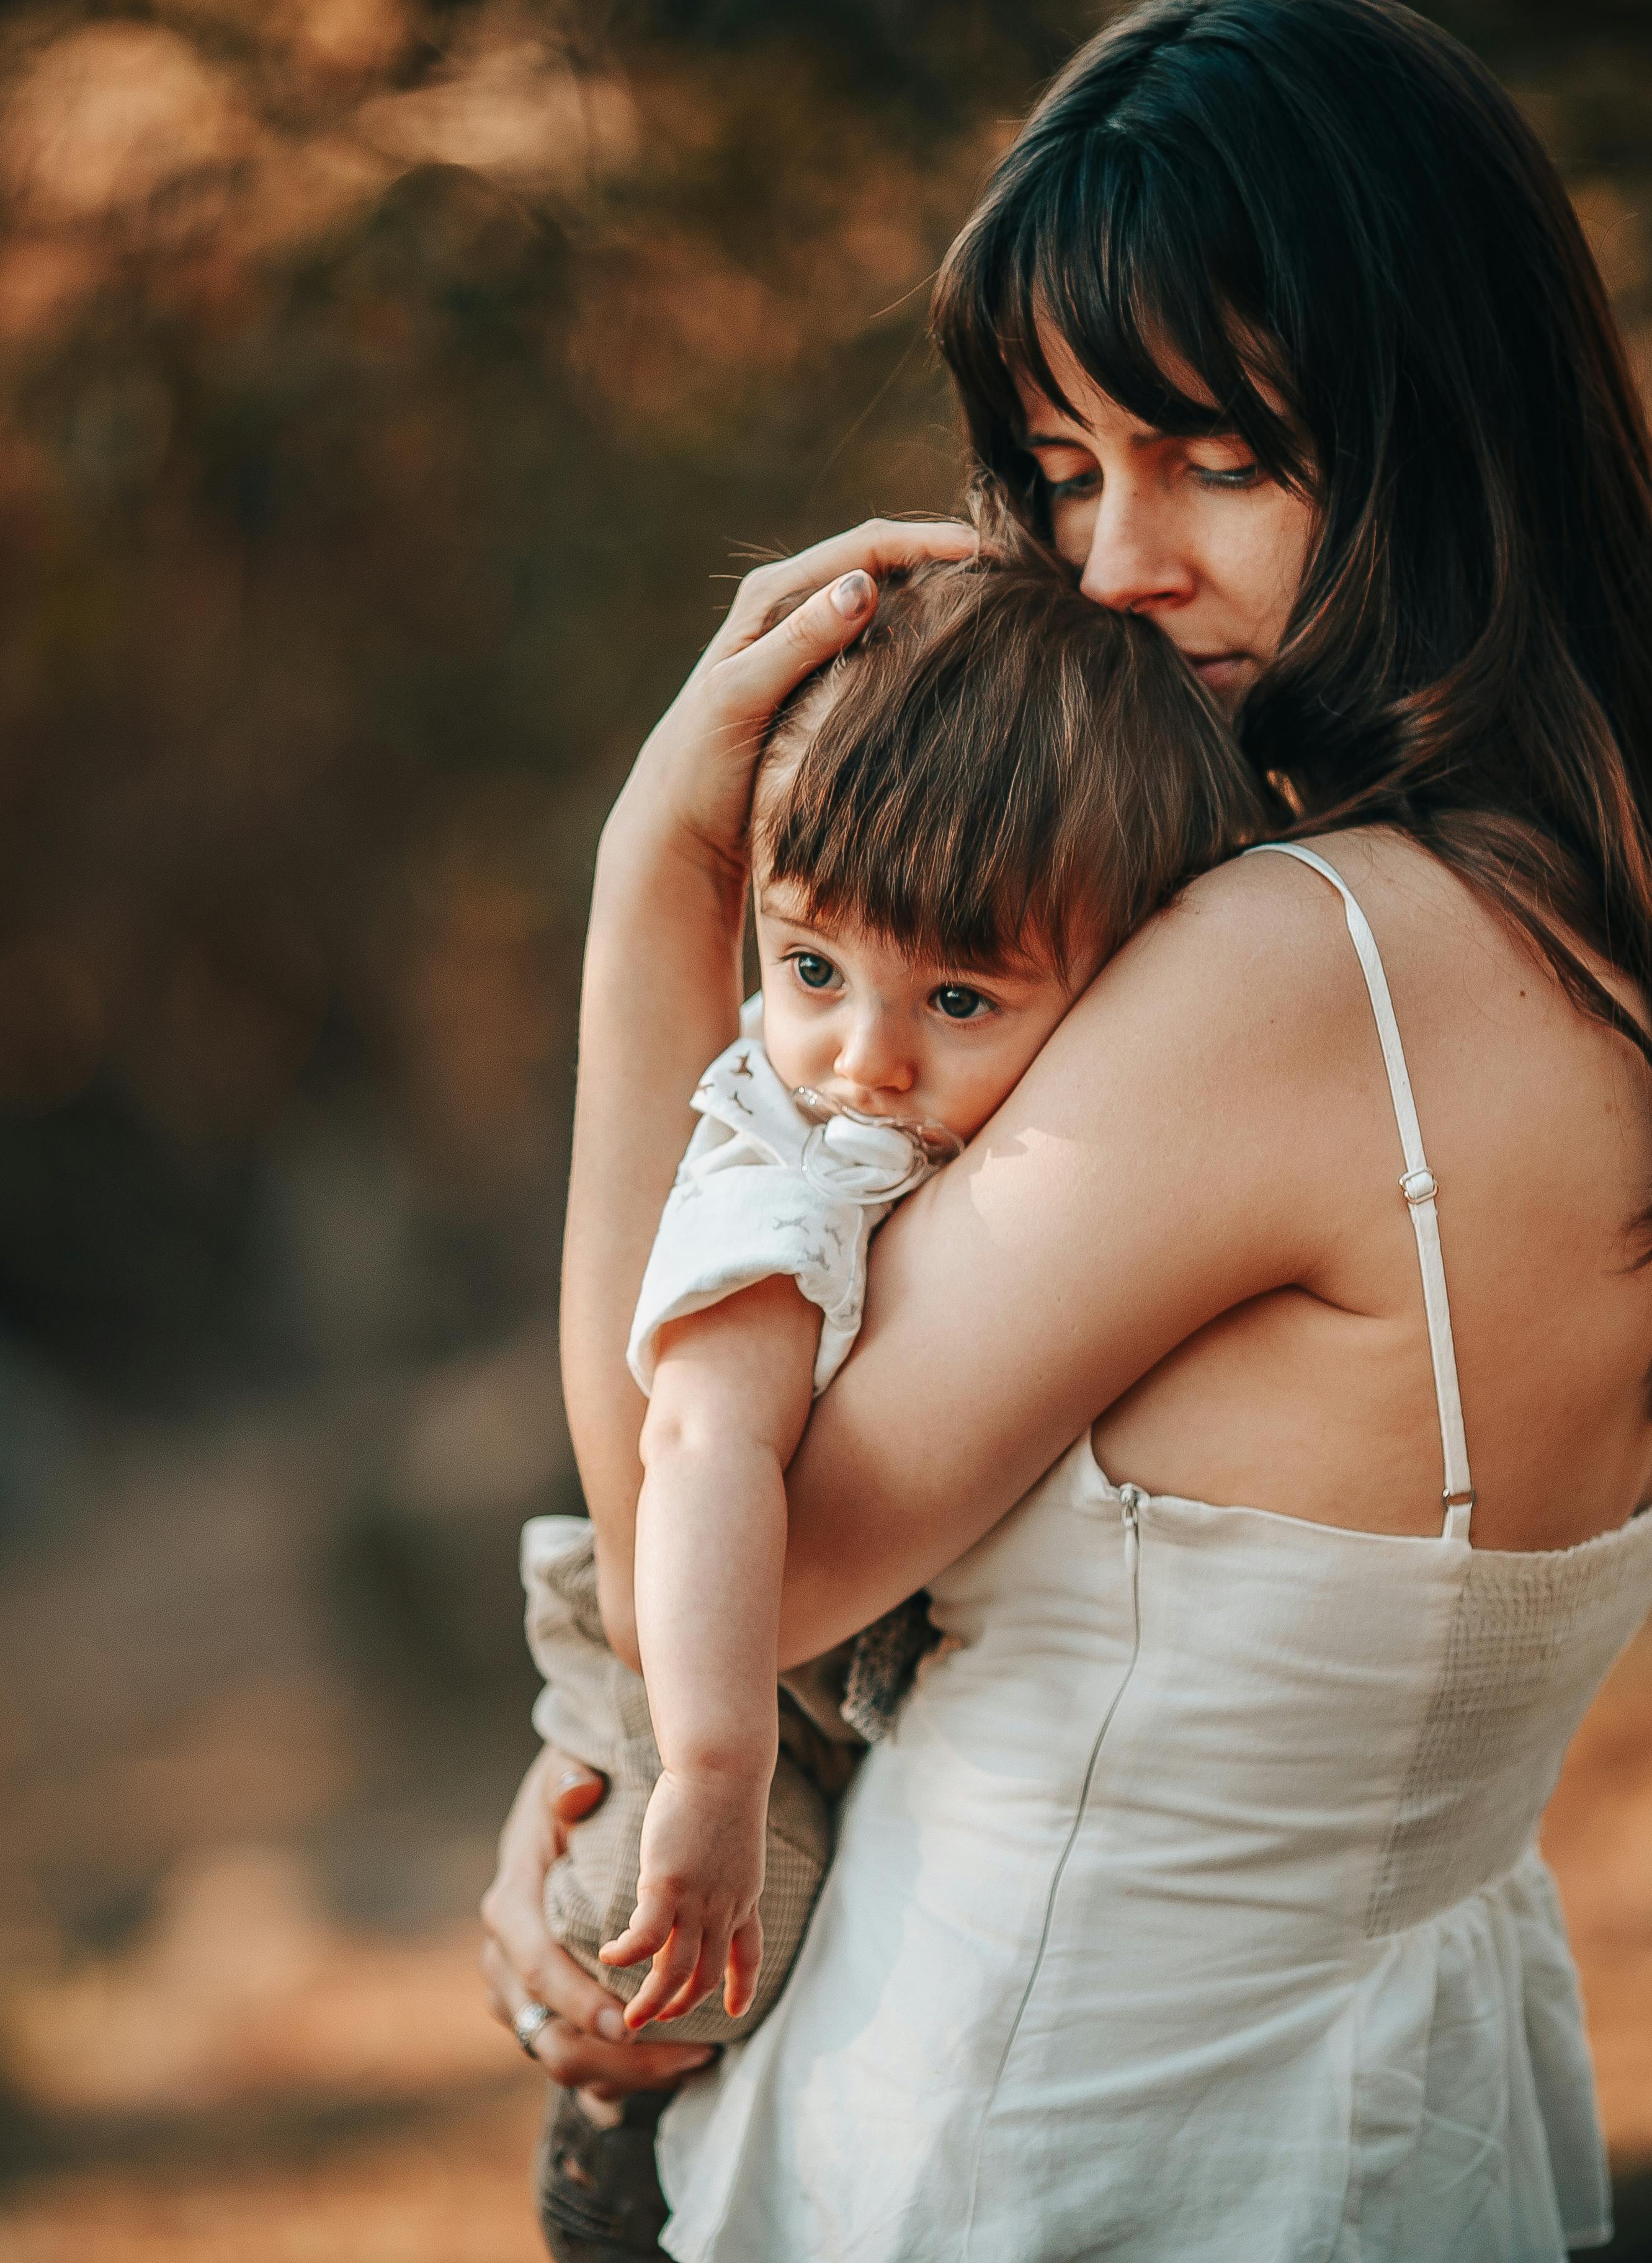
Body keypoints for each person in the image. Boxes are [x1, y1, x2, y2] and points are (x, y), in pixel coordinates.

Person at [486, 2, 1652, 2256]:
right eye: (1061, 465)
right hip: (1392, 2137)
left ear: (1447, 433)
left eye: (1220, 455)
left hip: (1020, 2158)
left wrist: (653, 888)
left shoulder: (1296, 970)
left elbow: (721, 1546)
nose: (1114, 561)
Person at [521, 551, 1269, 2050]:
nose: (865, 1056)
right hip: (709, 1676)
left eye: (959, 1000)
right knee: (668, 1987)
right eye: (808, 966)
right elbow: (701, 1454)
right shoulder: (795, 1170)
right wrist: (713, 1774)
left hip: (809, 1673)